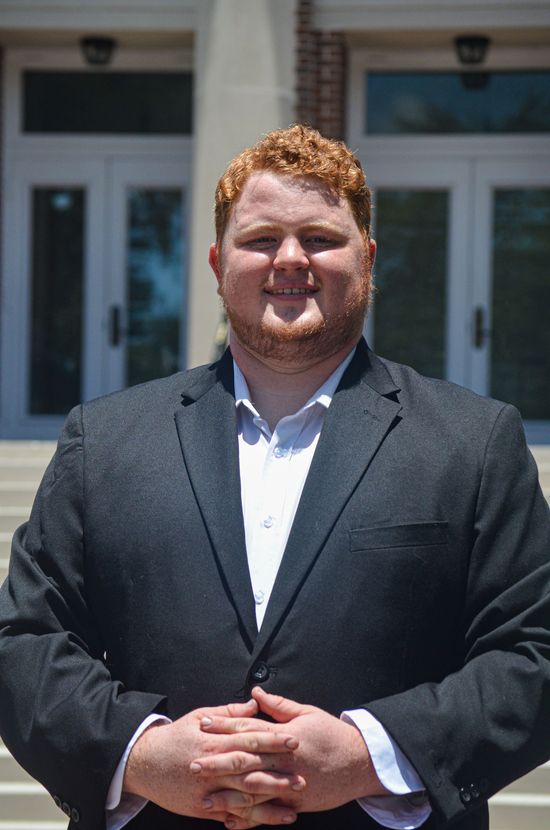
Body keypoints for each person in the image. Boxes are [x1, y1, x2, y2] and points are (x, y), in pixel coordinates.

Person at [0, 125, 549, 830]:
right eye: (260, 240)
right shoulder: (101, 440)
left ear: (369, 258)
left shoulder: (474, 443)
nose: (291, 258)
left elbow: (532, 654)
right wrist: (140, 754)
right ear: (216, 262)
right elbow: (25, 644)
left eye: (320, 237)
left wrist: (369, 754)